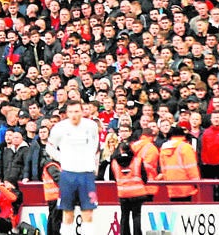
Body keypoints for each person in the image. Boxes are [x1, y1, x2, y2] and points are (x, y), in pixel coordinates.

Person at [46, 99, 99, 235]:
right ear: (66, 113)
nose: (74, 115)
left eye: (76, 111)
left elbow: (95, 145)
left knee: (88, 212)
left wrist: (92, 163)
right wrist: (62, 159)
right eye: (70, 112)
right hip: (68, 174)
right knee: (67, 212)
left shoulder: (91, 126)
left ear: (82, 111)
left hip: (86, 173)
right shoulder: (60, 128)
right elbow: (49, 147)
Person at [112, 142, 151, 235]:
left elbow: (112, 177)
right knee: (136, 216)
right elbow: (144, 177)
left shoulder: (114, 162)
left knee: (124, 216)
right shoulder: (138, 160)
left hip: (123, 193)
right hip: (137, 193)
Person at [158, 126, 199, 201]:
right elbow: (191, 168)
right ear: (183, 136)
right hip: (185, 185)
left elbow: (163, 168)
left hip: (170, 185)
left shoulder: (163, 148)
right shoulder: (186, 147)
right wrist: (196, 183)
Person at [39, 157, 63, 235]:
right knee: (56, 220)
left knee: (52, 218)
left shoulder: (48, 165)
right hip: (56, 195)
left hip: (51, 196)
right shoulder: (52, 165)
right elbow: (58, 178)